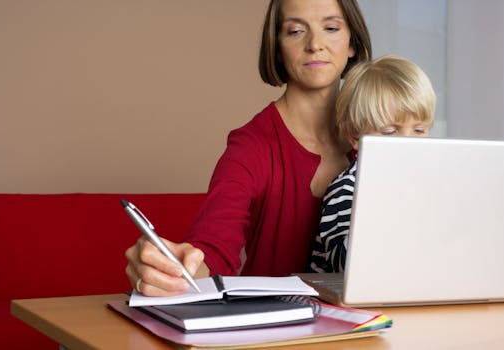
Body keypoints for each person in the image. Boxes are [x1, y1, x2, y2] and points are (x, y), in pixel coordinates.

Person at [125, 0, 372, 296]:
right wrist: (174, 268)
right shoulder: (250, 147)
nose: (315, 44)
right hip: (278, 334)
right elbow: (212, 252)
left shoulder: (379, 140)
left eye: (331, 28)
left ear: (352, 44)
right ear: (278, 48)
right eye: (295, 31)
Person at [309, 55, 436, 273]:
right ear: (355, 135)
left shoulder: (424, 185)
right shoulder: (347, 188)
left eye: (419, 130)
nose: (408, 142)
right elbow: (343, 265)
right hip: (339, 302)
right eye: (390, 131)